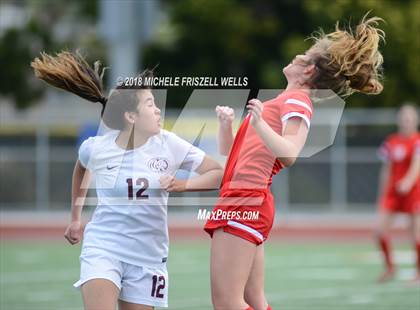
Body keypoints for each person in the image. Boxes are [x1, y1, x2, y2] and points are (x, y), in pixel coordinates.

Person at [204, 14, 385, 310]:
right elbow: (232, 155)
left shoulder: (297, 101)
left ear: (308, 70)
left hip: (245, 200)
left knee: (227, 303)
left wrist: (260, 123)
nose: (294, 57)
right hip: (241, 197)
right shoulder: (280, 102)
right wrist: (226, 126)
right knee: (253, 301)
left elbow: (289, 153)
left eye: (301, 56)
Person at [31, 51, 224, 310]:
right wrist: (76, 218)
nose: (157, 109)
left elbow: (218, 173)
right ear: (131, 117)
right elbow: (81, 167)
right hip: (104, 245)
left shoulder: (169, 144)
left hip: (148, 255)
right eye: (149, 104)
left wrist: (183, 185)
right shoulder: (97, 147)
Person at [376, 104, 420, 283]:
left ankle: (418, 272)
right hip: (393, 193)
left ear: (416, 120)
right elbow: (386, 169)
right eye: (403, 117)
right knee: (379, 231)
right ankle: (390, 268)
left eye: (410, 117)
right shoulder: (391, 141)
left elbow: (417, 164)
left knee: (416, 234)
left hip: (413, 192)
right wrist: (382, 193)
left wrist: (408, 182)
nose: (406, 120)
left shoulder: (417, 141)